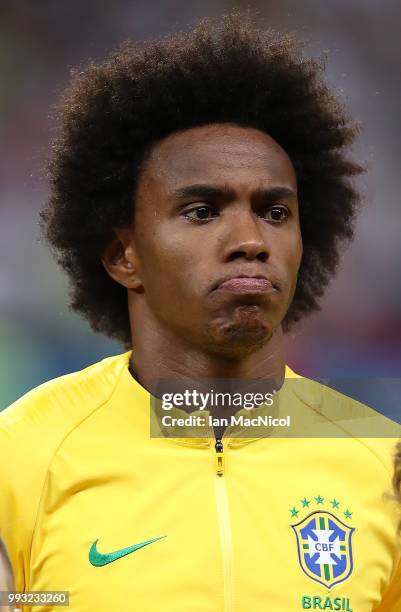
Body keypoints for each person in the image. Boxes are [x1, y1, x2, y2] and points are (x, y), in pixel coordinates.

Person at [1, 13, 400, 611]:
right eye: (201, 210)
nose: (250, 239)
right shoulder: (21, 455)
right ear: (122, 255)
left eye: (274, 212)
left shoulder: (382, 461)